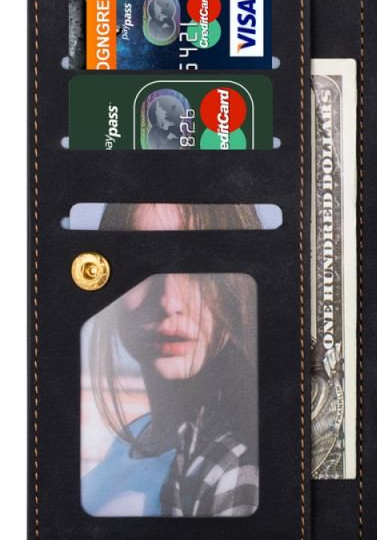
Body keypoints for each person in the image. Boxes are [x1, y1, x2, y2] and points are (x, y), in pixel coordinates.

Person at [81, 203, 259, 517]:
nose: (169, 301)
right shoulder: (137, 434)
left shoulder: (233, 466)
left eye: (200, 265)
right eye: (142, 263)